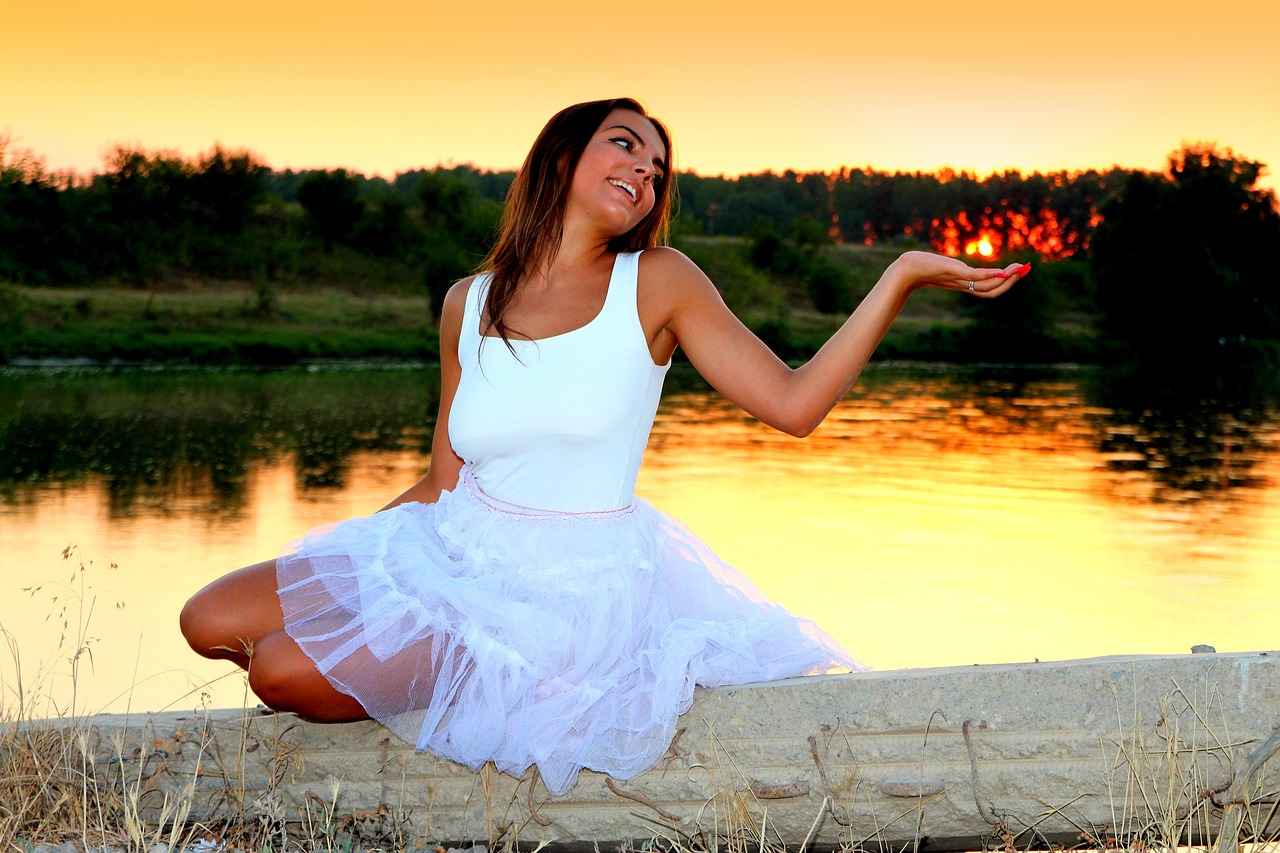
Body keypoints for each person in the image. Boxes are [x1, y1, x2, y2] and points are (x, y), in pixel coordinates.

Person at [180, 97, 1027, 796]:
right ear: (560, 159)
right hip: (454, 543)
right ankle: (435, 671)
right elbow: (443, 480)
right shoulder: (467, 301)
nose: (645, 172)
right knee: (209, 619)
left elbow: (795, 405)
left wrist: (900, 275)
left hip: (562, 593)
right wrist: (358, 572)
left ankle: (492, 678)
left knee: (281, 672)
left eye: (657, 168)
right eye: (625, 146)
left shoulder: (658, 283)